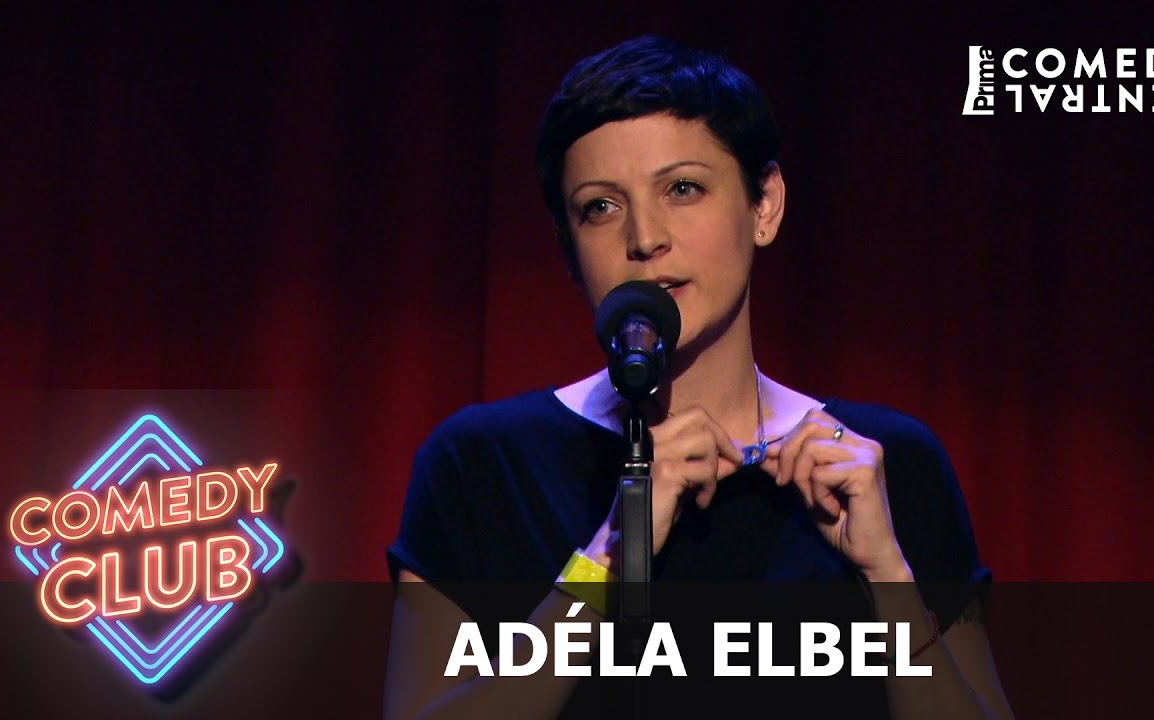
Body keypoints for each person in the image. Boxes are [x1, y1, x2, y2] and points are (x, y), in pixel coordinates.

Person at [384, 35, 1013, 719]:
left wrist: (888, 577)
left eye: (682, 189)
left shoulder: (881, 464)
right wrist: (608, 555)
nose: (644, 238)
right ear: (568, 246)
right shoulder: (481, 465)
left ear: (764, 205)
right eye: (600, 207)